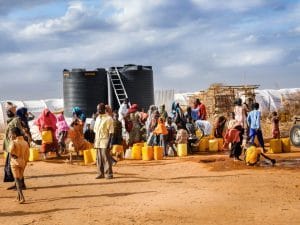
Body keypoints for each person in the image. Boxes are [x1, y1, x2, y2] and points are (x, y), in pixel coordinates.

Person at [3, 102, 24, 190]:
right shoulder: (11, 120)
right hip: (10, 146)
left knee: (16, 165)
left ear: (13, 111)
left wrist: (15, 144)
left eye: (9, 110)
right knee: (13, 166)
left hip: (14, 147)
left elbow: (20, 132)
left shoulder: (16, 120)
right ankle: (18, 184)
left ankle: (21, 185)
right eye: (7, 111)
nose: (7, 112)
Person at [9, 127, 30, 204]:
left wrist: (11, 140)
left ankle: (22, 197)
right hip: (23, 162)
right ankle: (18, 196)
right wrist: (25, 162)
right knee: (20, 179)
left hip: (15, 162)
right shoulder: (25, 142)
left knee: (17, 180)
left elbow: (10, 151)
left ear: (14, 134)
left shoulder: (14, 142)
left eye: (11, 133)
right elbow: (28, 155)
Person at [94, 103, 114, 179]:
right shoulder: (98, 118)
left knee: (106, 157)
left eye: (99, 109)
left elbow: (111, 132)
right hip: (98, 141)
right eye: (97, 109)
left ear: (103, 109)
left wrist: (110, 143)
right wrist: (95, 140)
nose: (98, 111)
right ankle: (100, 173)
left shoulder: (109, 119)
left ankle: (109, 174)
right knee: (99, 158)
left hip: (105, 141)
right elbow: (96, 131)